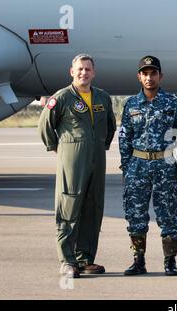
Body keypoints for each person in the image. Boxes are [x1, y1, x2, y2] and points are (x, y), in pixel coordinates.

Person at [38, 54, 116, 278]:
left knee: (93, 208)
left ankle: (85, 259)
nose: (84, 73)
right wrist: (60, 149)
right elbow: (45, 127)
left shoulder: (102, 97)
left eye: (88, 69)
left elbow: (110, 126)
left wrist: (100, 145)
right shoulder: (61, 98)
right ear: (71, 72)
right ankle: (67, 261)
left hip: (97, 159)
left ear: (94, 72)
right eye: (80, 69)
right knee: (68, 207)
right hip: (71, 160)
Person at [119, 56, 177, 276]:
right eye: (145, 73)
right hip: (138, 165)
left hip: (165, 164)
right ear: (139, 76)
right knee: (135, 214)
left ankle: (170, 261)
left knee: (168, 214)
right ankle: (138, 261)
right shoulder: (131, 104)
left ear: (160, 76)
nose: (149, 77)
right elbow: (124, 138)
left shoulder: (173, 103)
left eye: (153, 73)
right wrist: (127, 168)